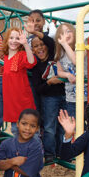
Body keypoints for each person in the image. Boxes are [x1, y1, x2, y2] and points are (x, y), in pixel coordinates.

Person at [29, 35, 66, 164]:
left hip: (63, 95)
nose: (40, 48)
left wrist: (35, 31)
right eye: (36, 46)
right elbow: (38, 88)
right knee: (50, 126)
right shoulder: (36, 66)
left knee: (62, 125)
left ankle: (61, 151)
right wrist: (49, 82)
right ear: (32, 50)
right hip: (48, 98)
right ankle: (49, 153)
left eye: (42, 44)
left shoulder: (54, 58)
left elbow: (51, 42)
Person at [2, 27, 37, 136]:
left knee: (30, 129)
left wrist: (26, 44)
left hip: (23, 101)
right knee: (15, 131)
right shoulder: (5, 57)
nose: (13, 41)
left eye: (17, 38)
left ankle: (35, 152)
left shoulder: (21, 55)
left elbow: (31, 62)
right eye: (11, 38)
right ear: (7, 40)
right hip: (11, 103)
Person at [55, 23, 87, 119]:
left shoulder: (82, 47)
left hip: (87, 96)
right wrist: (67, 74)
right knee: (76, 127)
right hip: (72, 99)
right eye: (62, 33)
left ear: (74, 32)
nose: (66, 35)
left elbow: (76, 60)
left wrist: (64, 44)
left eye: (68, 31)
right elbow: (59, 71)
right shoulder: (60, 53)